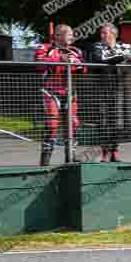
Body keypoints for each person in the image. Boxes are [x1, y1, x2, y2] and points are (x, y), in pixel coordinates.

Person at [90, 23, 131, 162]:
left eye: (105, 33)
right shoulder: (97, 46)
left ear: (114, 34)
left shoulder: (125, 47)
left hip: (118, 88)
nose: (102, 35)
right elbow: (101, 59)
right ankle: (105, 152)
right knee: (102, 121)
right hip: (101, 87)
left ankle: (115, 151)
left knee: (116, 121)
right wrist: (124, 57)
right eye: (102, 33)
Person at [35, 24, 88, 166]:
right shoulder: (45, 48)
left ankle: (70, 157)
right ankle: (45, 162)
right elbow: (39, 63)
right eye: (69, 34)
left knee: (73, 124)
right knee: (52, 125)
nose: (72, 37)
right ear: (58, 35)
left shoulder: (76, 50)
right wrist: (60, 59)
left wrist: (77, 64)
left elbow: (84, 69)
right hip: (51, 91)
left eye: (72, 34)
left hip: (70, 92)